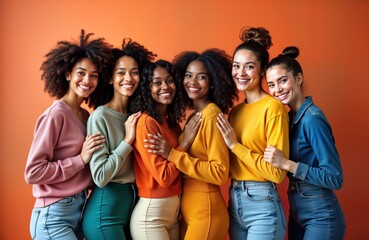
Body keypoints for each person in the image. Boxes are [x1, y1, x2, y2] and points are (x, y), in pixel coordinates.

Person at [24, 29, 111, 239]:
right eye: (81, 73)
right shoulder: (55, 115)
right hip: (53, 216)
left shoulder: (86, 115)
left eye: (94, 75)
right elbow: (33, 172)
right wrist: (80, 159)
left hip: (79, 213)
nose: (87, 80)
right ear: (67, 74)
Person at [145, 49, 238, 240]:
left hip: (206, 210)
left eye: (201, 77)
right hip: (189, 211)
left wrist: (173, 154)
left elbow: (220, 172)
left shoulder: (211, 115)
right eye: (188, 75)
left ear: (212, 83)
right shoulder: (194, 117)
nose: (192, 82)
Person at [264, 46, 346, 239]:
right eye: (271, 84)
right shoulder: (287, 118)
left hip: (322, 217)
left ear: (298, 79)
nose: (277, 90)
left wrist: (286, 163)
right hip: (297, 213)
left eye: (283, 80)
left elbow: (335, 177)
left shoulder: (312, 119)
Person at [216, 27, 289, 239]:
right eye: (236, 66)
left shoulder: (273, 107)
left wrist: (234, 145)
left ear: (263, 71)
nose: (240, 73)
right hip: (234, 200)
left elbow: (277, 173)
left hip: (262, 204)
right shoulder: (235, 112)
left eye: (249, 67)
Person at [82, 39, 156, 240]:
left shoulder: (138, 115)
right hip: (104, 216)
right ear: (110, 78)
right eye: (121, 72)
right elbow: (100, 176)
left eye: (134, 72)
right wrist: (127, 141)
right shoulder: (100, 116)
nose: (128, 78)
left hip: (131, 209)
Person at [129, 59, 201, 240]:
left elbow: (180, 164)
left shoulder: (171, 124)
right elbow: (165, 177)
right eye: (157, 82)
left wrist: (174, 150)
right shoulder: (146, 123)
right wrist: (184, 144)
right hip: (151, 216)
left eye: (169, 81)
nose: (165, 86)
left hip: (173, 213)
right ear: (147, 88)